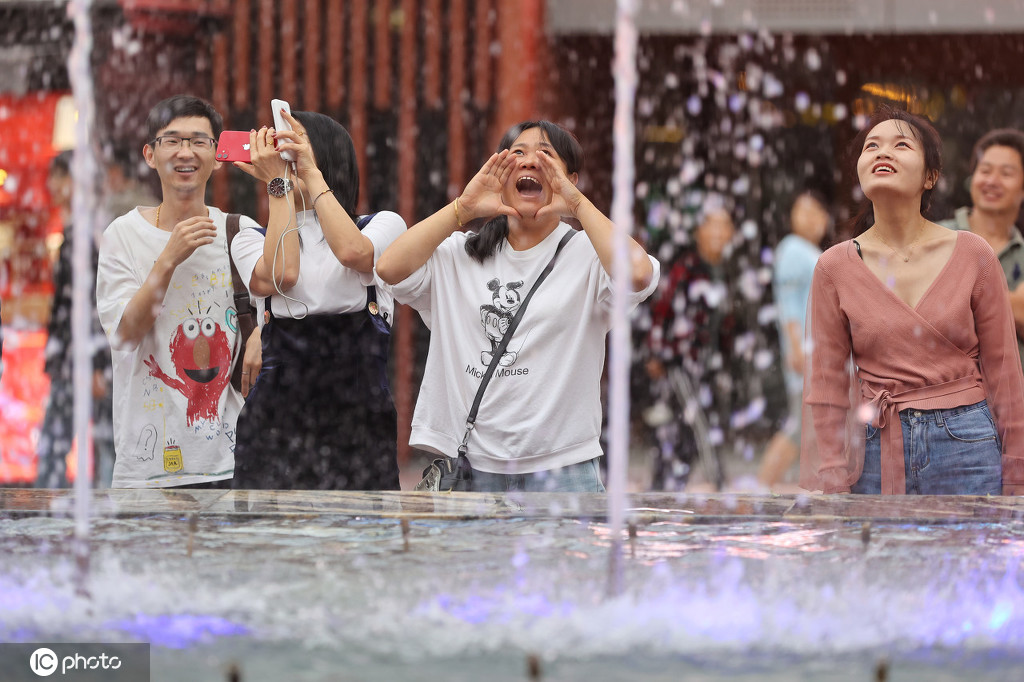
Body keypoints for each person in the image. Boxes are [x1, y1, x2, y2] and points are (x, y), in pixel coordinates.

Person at [375, 120, 659, 492]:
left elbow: (638, 273)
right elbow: (389, 268)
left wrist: (575, 202)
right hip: (472, 470)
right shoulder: (460, 253)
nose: (529, 162)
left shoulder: (589, 255)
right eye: (518, 154)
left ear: (569, 177)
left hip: (563, 470)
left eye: (545, 155)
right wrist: (463, 208)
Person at [801, 104, 1024, 496]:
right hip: (873, 446)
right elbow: (827, 387)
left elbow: (1005, 375)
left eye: (901, 145)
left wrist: (1018, 472)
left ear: (931, 176)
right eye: (872, 146)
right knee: (880, 559)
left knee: (970, 558)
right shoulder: (833, 267)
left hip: (966, 446)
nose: (882, 153)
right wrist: (832, 475)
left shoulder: (974, 254)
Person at [229, 110, 404, 490]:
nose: (283, 151)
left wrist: (309, 174)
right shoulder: (250, 237)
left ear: (326, 153)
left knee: (364, 541)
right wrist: (279, 186)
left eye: (295, 142)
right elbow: (281, 275)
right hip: (275, 427)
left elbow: (354, 254)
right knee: (271, 541)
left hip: (358, 425)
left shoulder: (382, 224)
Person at [96, 95, 259, 488]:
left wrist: (264, 332)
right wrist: (169, 258)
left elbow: (291, 300)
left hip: (229, 464)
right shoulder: (123, 235)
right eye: (173, 140)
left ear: (217, 155)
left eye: (199, 141)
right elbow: (123, 334)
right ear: (150, 155)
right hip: (146, 470)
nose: (186, 152)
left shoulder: (239, 231)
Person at [35, 151, 115, 488]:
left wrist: (97, 362)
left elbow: (92, 303)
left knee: (73, 442)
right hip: (76, 357)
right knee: (97, 440)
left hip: (81, 360)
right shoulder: (82, 231)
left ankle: (49, 510)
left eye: (60, 177)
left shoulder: (85, 235)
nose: (53, 185)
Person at [755, 191, 829, 491]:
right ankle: (761, 488)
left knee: (812, 427)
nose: (809, 218)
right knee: (800, 427)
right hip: (805, 353)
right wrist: (796, 347)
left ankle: (816, 488)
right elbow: (786, 304)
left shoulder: (811, 252)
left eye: (814, 212)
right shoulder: (793, 249)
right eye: (802, 211)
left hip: (818, 353)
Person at [938, 128, 1024, 366]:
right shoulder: (936, 235)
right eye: (984, 170)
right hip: (944, 395)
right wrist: (1011, 304)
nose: (992, 181)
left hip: (1013, 399)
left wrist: (961, 299)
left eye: (1006, 173)